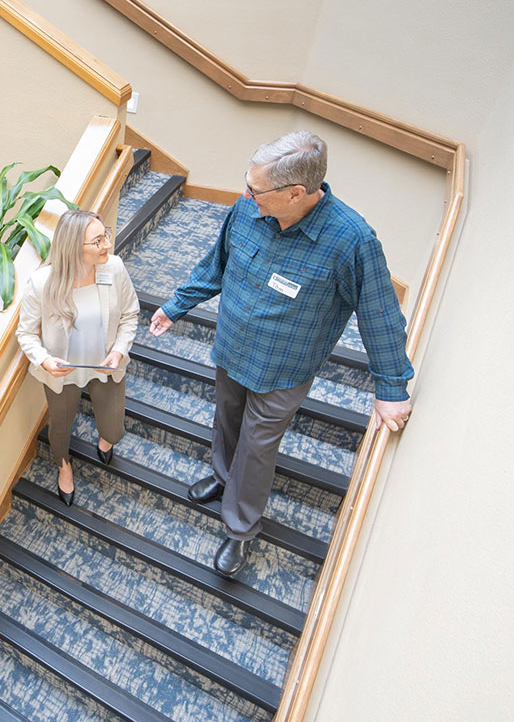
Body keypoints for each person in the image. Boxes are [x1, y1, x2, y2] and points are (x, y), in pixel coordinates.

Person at [150, 131, 414, 577]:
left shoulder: (351, 242)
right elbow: (215, 266)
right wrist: (176, 306)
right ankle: (221, 475)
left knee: (257, 447)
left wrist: (391, 387)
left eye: (257, 190)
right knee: (227, 419)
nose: (246, 195)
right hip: (233, 349)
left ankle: (239, 528)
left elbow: (379, 316)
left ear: (297, 193)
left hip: (284, 368)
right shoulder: (246, 210)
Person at [17, 210, 140, 507]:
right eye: (97, 241)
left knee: (113, 429)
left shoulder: (114, 268)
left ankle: (105, 439)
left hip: (106, 365)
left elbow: (130, 314)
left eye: (105, 235)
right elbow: (26, 334)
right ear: (73, 247)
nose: (106, 245)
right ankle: (63, 464)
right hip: (64, 371)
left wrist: (118, 350)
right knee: (60, 425)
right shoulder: (42, 283)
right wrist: (45, 360)